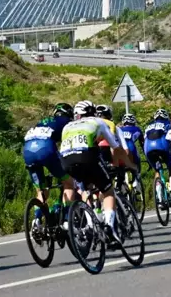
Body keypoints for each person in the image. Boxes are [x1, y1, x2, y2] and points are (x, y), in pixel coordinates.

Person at [60, 101, 133, 240]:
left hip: (66, 160)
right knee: (108, 191)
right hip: (87, 156)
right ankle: (110, 228)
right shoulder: (98, 121)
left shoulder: (67, 126)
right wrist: (127, 164)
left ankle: (89, 222)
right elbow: (115, 147)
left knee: (83, 190)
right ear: (93, 112)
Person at [23, 103, 75, 230]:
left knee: (41, 190)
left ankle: (36, 220)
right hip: (46, 149)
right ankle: (67, 219)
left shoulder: (42, 122)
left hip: (27, 151)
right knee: (69, 182)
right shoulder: (66, 122)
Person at [144, 109, 171, 205]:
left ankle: (159, 197)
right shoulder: (167, 123)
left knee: (157, 171)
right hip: (162, 146)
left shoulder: (148, 126)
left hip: (148, 149)